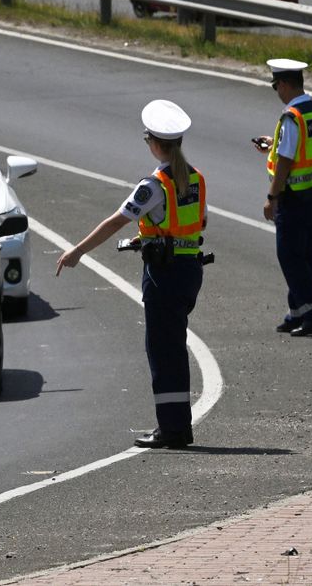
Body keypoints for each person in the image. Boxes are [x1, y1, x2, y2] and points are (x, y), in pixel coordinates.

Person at [56, 99, 206, 449]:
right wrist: (151, 237)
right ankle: (178, 426)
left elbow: (115, 221)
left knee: (162, 351)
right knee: (173, 348)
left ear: (154, 144)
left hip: (164, 275)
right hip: (189, 270)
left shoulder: (154, 184)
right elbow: (195, 223)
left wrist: (77, 251)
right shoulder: (195, 178)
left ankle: (172, 430)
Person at [251, 59, 312, 337]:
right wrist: (272, 144)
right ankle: (297, 311)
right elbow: (301, 147)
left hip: (294, 195)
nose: (277, 92)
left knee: (289, 256)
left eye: (276, 87)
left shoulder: (292, 116)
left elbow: (286, 161)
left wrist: (271, 197)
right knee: (306, 253)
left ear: (284, 84)